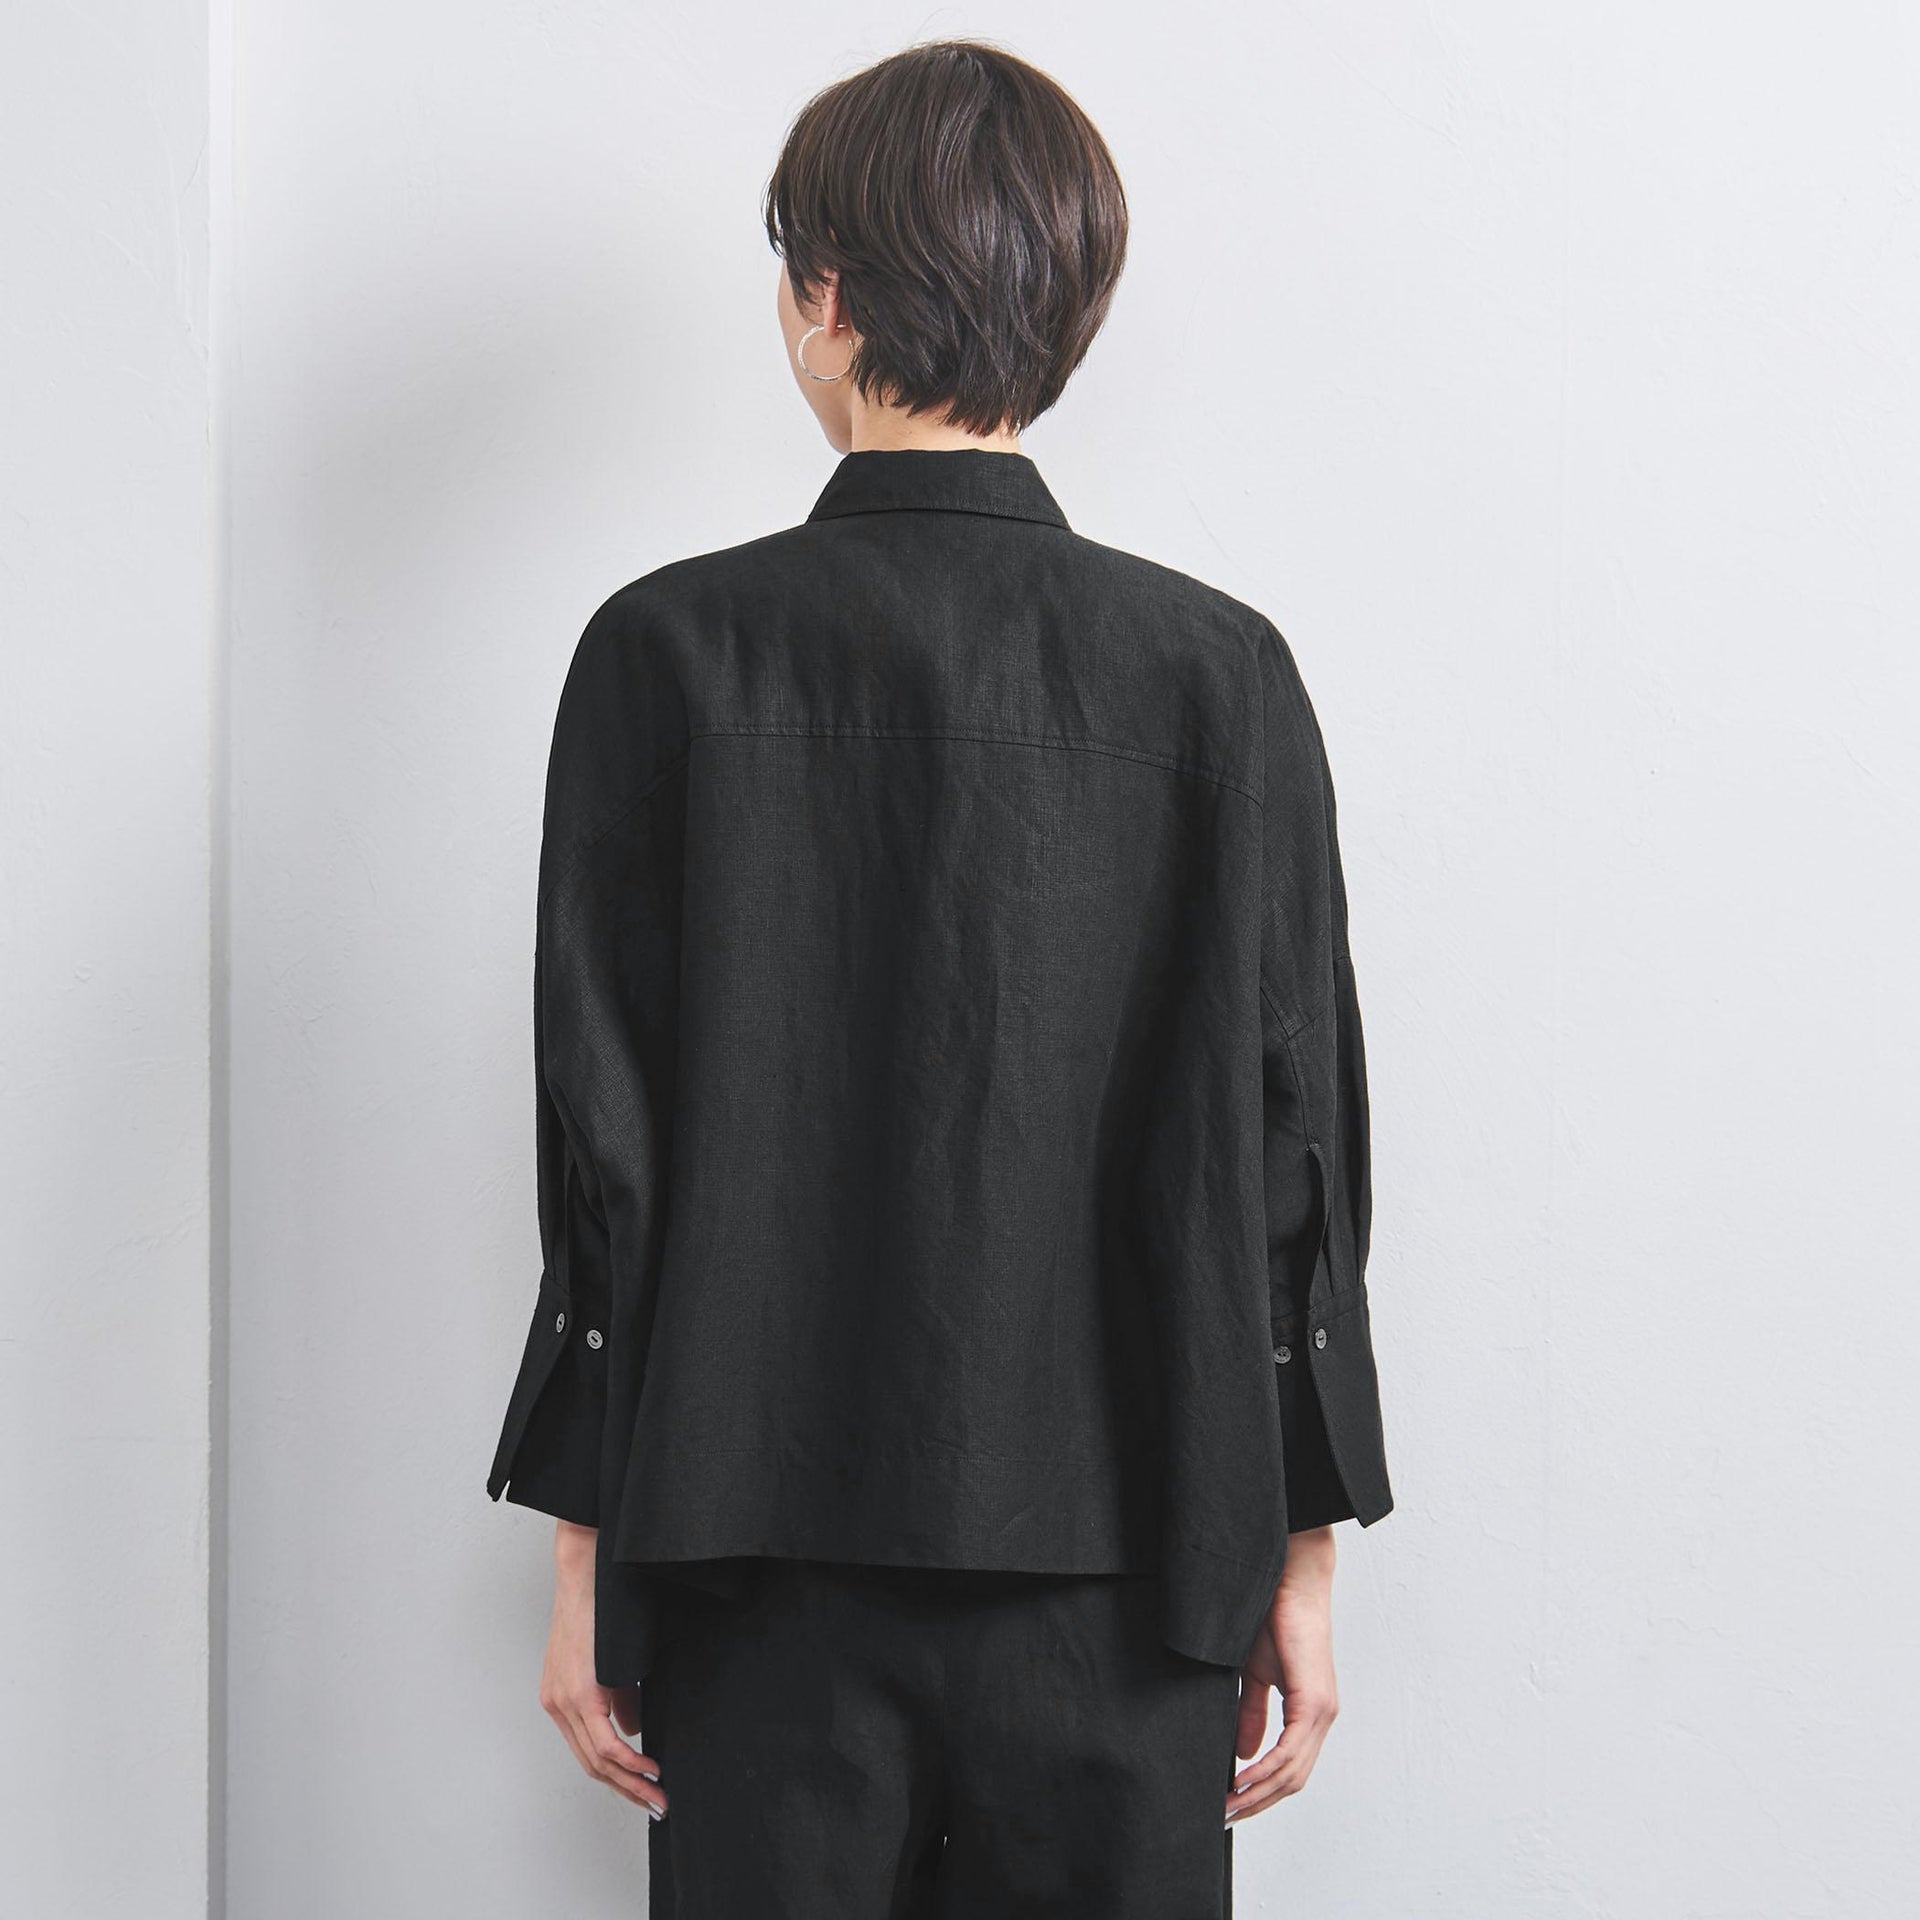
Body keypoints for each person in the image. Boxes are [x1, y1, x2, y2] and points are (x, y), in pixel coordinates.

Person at [485, 37, 1392, 1918]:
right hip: (1135, 1564)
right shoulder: (1218, 676)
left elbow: (602, 1144)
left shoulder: (664, 656)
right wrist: (1303, 1549)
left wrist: (585, 1559)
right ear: (1071, 307)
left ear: (825, 297)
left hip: (751, 1560)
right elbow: (1295, 1146)